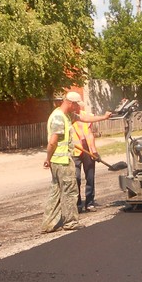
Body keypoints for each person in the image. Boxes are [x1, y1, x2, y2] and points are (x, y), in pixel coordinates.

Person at [41, 92, 111, 233]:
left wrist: (103, 117)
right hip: (62, 161)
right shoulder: (59, 118)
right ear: (70, 103)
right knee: (70, 192)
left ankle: (48, 224)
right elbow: (53, 142)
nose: (77, 108)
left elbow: (84, 118)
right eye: (76, 105)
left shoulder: (66, 115)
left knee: (56, 191)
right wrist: (47, 158)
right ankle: (70, 222)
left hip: (59, 160)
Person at [71, 100, 99, 212]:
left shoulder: (86, 116)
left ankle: (90, 203)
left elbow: (90, 134)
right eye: (74, 105)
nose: (76, 107)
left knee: (90, 176)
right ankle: (77, 203)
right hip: (74, 150)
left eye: (77, 105)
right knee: (76, 177)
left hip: (87, 148)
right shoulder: (68, 117)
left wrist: (94, 151)